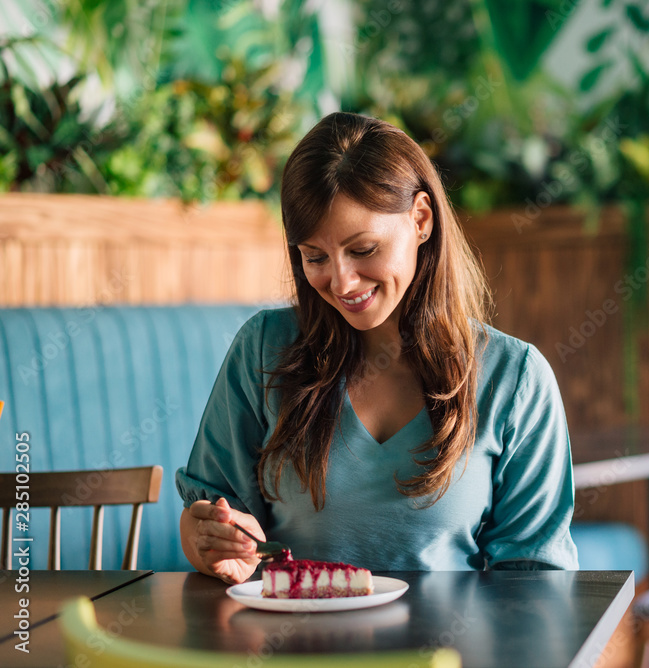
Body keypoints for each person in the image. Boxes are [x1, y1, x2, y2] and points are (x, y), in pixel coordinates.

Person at [176, 112, 578, 584]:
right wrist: (211, 542)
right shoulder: (264, 349)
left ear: (421, 219)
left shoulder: (515, 378)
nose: (342, 282)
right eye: (315, 257)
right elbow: (204, 516)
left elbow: (535, 580)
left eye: (364, 249)